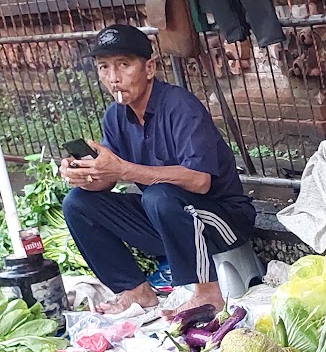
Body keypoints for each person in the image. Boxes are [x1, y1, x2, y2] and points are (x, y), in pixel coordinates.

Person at [61, 25, 256, 316]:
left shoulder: (180, 107)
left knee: (160, 196)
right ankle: (137, 293)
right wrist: (84, 175)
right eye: (104, 68)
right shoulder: (115, 115)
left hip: (222, 220)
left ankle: (208, 294)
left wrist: (125, 169)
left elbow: (200, 181)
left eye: (124, 65)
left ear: (149, 68)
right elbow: (109, 178)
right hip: (168, 221)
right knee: (77, 203)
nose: (113, 78)